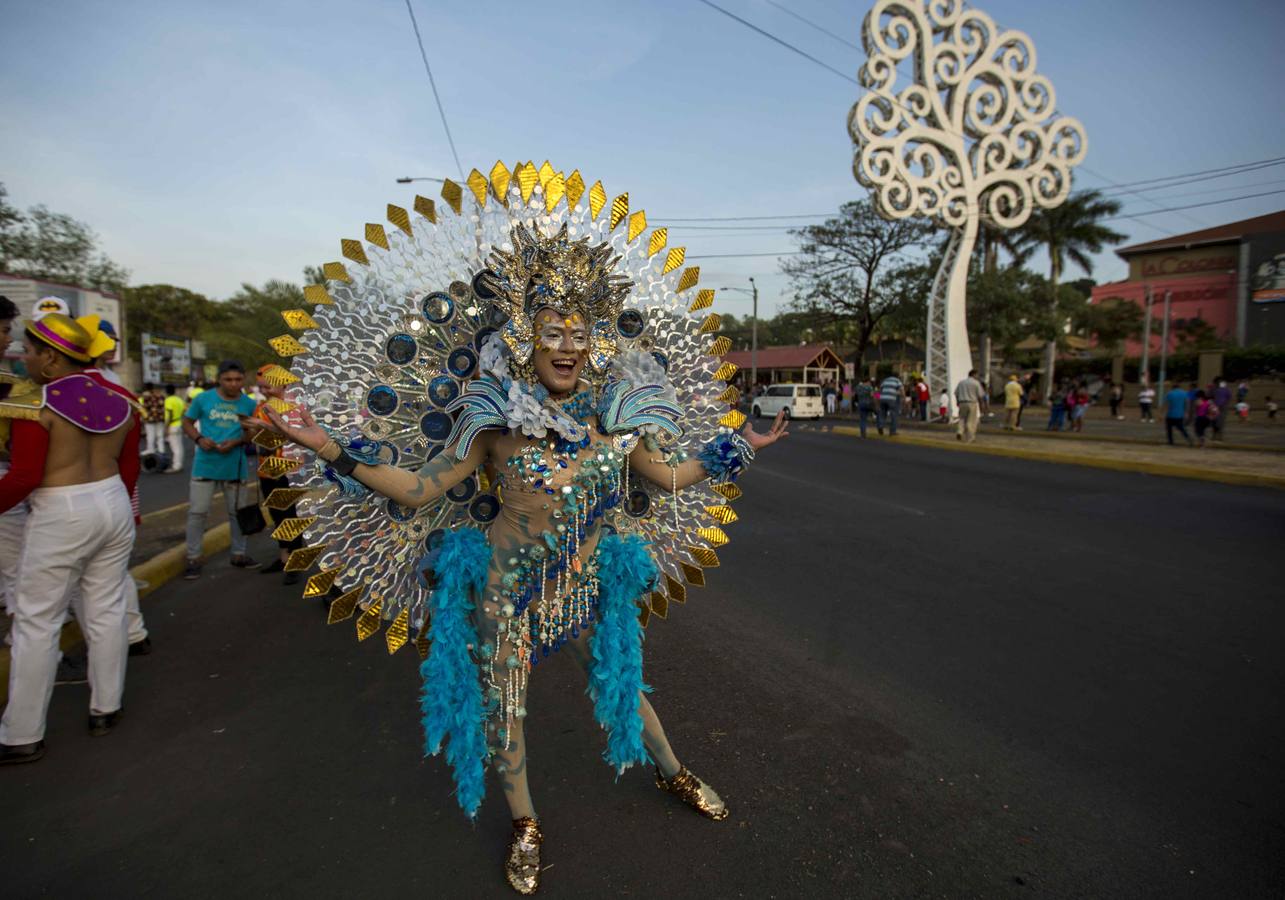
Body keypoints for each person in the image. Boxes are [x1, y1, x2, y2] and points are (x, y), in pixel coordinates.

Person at [256, 214, 791, 895]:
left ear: (593, 343)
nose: (566, 346)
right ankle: (526, 825)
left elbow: (671, 478)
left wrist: (735, 448)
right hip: (507, 595)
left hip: (585, 590)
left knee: (625, 689)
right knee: (505, 710)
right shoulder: (493, 422)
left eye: (578, 333)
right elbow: (419, 490)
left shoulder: (617, 419)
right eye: (551, 333)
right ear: (525, 341)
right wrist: (326, 446)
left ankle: (672, 770)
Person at [0, 314, 138, 763]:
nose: (23, 358)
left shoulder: (33, 404)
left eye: (29, 350)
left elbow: (22, 478)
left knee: (37, 621)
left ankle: (21, 734)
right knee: (107, 607)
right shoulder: (121, 402)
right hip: (113, 501)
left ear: (51, 357)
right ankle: (107, 707)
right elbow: (130, 469)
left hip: (62, 510)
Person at [181, 360, 259, 579]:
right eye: (228, 379)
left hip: (235, 467)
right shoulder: (203, 399)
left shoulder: (249, 404)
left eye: (238, 379)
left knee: (237, 514)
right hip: (205, 465)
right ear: (219, 379)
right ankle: (193, 557)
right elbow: (186, 422)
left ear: (243, 379)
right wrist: (199, 438)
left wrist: (237, 442)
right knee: (197, 513)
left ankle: (239, 554)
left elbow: (251, 435)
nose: (233, 384)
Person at [252, 365, 304, 586]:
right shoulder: (261, 407)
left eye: (268, 386)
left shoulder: (295, 407)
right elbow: (255, 437)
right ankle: (284, 558)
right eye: (262, 387)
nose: (265, 390)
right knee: (277, 515)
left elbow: (296, 436)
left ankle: (295, 562)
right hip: (267, 469)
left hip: (289, 471)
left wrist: (266, 426)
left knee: (291, 515)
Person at [955, 369, 985, 442]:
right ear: (974, 374)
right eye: (977, 375)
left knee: (961, 418)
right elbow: (980, 396)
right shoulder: (976, 383)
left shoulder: (961, 382)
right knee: (971, 421)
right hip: (972, 403)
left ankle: (959, 431)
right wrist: (982, 406)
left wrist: (958, 402)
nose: (977, 376)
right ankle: (970, 437)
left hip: (962, 402)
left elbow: (956, 393)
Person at [163, 383, 186, 472]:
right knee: (179, 446)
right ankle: (179, 464)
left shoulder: (168, 400)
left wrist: (166, 428)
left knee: (175, 447)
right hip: (179, 423)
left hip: (172, 425)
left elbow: (170, 414)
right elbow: (184, 411)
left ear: (166, 391)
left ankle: (176, 466)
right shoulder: (179, 399)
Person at [140, 383, 166, 456]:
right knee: (160, 436)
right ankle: (161, 450)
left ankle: (150, 450)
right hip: (160, 418)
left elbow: (144, 407)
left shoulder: (146, 396)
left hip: (150, 419)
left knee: (150, 435)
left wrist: (143, 417)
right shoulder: (161, 396)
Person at [879, 371, 904, 436]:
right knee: (894, 415)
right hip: (891, 399)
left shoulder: (885, 380)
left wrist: (879, 397)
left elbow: (880, 390)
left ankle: (880, 426)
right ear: (898, 376)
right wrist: (903, 397)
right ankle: (892, 431)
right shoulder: (897, 381)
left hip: (882, 399)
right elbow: (901, 390)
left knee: (882, 414)